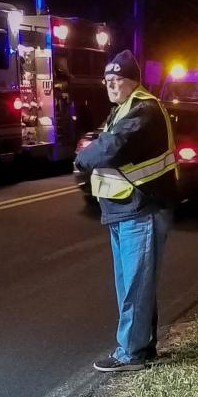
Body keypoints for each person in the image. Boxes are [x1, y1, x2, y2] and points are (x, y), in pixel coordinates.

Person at [74, 49, 179, 372]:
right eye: (107, 80)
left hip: (141, 208)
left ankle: (131, 352)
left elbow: (111, 147)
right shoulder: (122, 110)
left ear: (133, 80)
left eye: (117, 79)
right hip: (124, 209)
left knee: (135, 285)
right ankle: (141, 346)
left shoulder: (144, 109)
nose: (111, 85)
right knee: (134, 284)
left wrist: (82, 158)